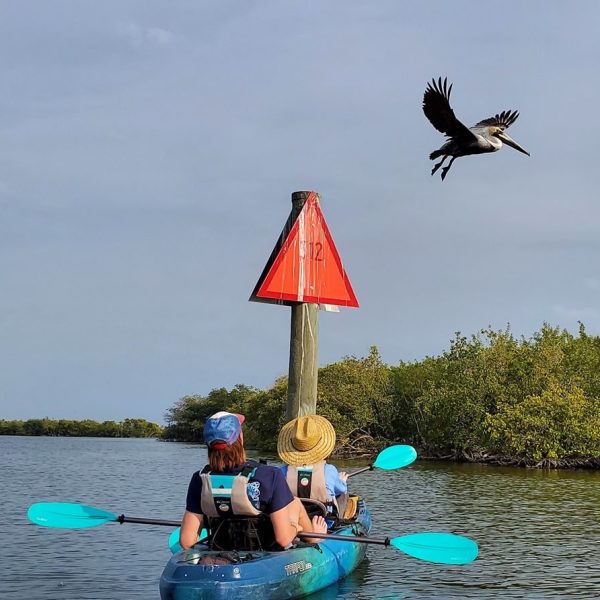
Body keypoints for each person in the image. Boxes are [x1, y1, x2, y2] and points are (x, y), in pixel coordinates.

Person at [180, 411, 327, 551]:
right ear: (241, 439)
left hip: (220, 548)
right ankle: (315, 538)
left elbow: (187, 542)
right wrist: (296, 527)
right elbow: (283, 539)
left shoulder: (199, 479)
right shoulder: (270, 475)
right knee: (295, 502)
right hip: (264, 552)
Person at [277, 415, 349, 514]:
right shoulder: (329, 470)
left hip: (293, 516)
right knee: (344, 494)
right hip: (323, 517)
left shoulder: (283, 471)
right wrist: (342, 480)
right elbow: (341, 489)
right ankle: (341, 520)